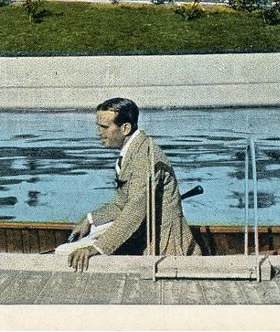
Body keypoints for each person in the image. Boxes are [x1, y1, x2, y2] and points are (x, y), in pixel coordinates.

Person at [56, 97, 200, 271]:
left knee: (64, 253)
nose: (98, 133)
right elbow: (122, 204)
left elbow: (134, 211)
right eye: (98, 126)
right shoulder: (134, 149)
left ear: (125, 128)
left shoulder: (143, 158)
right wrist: (90, 220)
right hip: (145, 233)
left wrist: (97, 248)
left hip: (165, 247)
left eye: (104, 127)